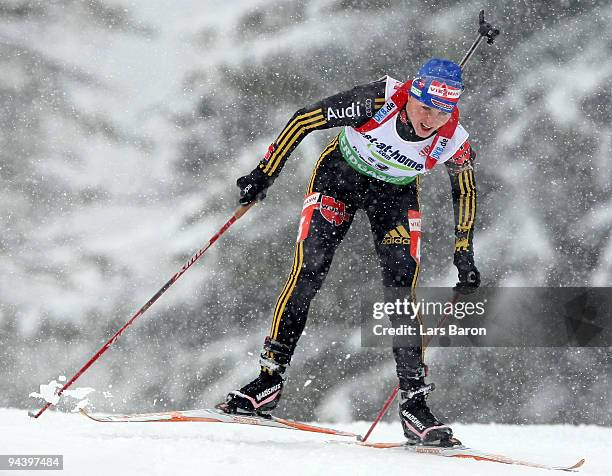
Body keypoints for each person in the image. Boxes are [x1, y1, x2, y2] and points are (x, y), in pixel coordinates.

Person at [218, 58, 481, 447]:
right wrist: (264, 172)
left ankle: (414, 405)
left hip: (394, 196)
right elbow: (303, 120)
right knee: (308, 272)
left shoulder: (453, 138)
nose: (430, 122)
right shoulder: (378, 100)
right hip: (339, 178)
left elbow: (466, 190)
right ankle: (268, 381)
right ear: (412, 96)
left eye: (441, 114)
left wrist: (464, 252)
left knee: (400, 290)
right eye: (426, 108)